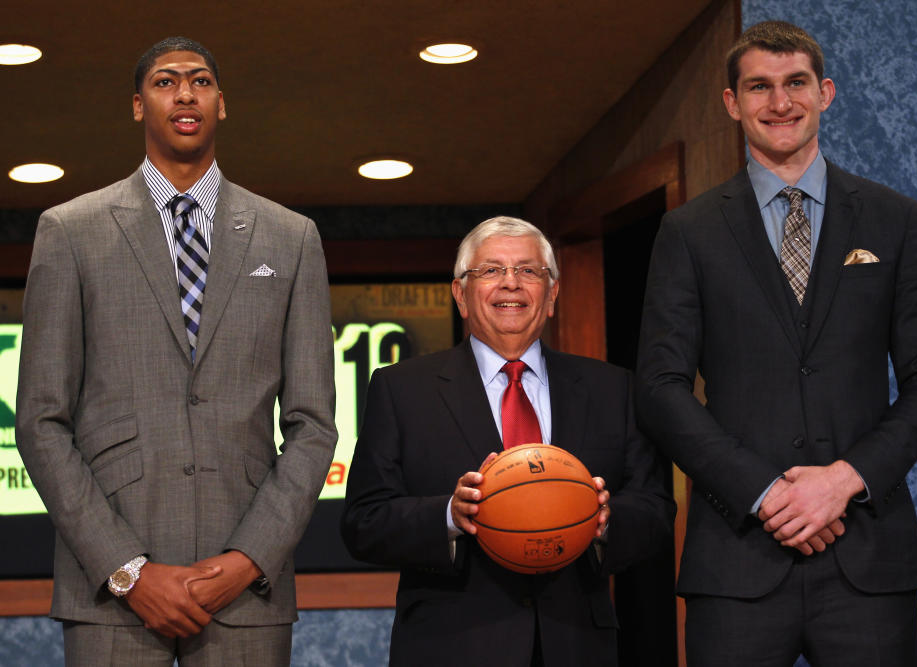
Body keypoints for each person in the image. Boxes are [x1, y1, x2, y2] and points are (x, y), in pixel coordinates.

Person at [635, 20, 917, 667]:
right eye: (759, 86)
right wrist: (768, 493)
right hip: (736, 560)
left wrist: (843, 480)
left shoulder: (894, 219)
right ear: (732, 102)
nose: (779, 103)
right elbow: (660, 389)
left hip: (867, 555)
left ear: (826, 91)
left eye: (795, 83)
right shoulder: (688, 231)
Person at [16, 37, 337, 665]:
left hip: (248, 591)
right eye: (165, 82)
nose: (185, 93)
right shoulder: (70, 230)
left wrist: (249, 559)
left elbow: (313, 425)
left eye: (201, 81)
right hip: (111, 595)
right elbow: (40, 420)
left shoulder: (291, 237)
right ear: (138, 106)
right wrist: (126, 570)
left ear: (222, 105)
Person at [341, 216, 674, 666]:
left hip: (576, 646)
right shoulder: (401, 389)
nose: (511, 284)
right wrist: (450, 515)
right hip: (451, 647)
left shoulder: (612, 388)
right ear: (461, 294)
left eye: (529, 271)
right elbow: (364, 521)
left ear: (552, 293)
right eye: (492, 270)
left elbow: (656, 509)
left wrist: (602, 521)